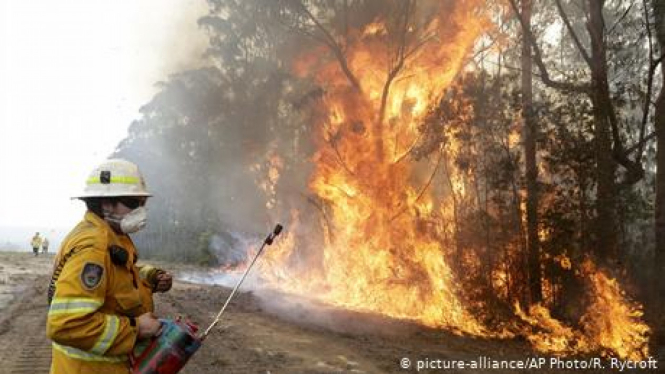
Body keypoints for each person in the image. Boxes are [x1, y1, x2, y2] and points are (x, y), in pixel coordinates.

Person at [46, 159, 173, 374]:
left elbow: (115, 278)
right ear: (106, 204)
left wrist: (150, 277)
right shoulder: (93, 247)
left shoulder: (113, 236)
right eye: (133, 203)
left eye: (143, 203)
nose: (141, 211)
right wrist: (136, 329)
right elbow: (66, 324)